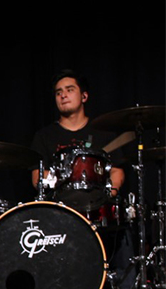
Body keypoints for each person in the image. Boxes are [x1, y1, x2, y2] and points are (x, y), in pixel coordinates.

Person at [30, 69, 126, 198]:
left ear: (84, 96)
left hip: (95, 207)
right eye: (59, 92)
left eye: (69, 90)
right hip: (58, 207)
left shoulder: (103, 132)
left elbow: (116, 171)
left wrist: (104, 198)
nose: (63, 95)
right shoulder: (44, 136)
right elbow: (37, 177)